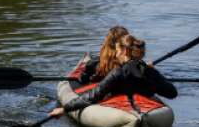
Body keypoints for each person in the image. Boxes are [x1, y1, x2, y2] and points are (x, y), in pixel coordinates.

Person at [48, 33, 177, 119]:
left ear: (125, 51)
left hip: (125, 113)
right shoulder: (149, 71)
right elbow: (172, 93)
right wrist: (156, 75)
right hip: (146, 112)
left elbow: (93, 96)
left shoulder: (119, 72)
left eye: (117, 50)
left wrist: (64, 109)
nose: (115, 54)